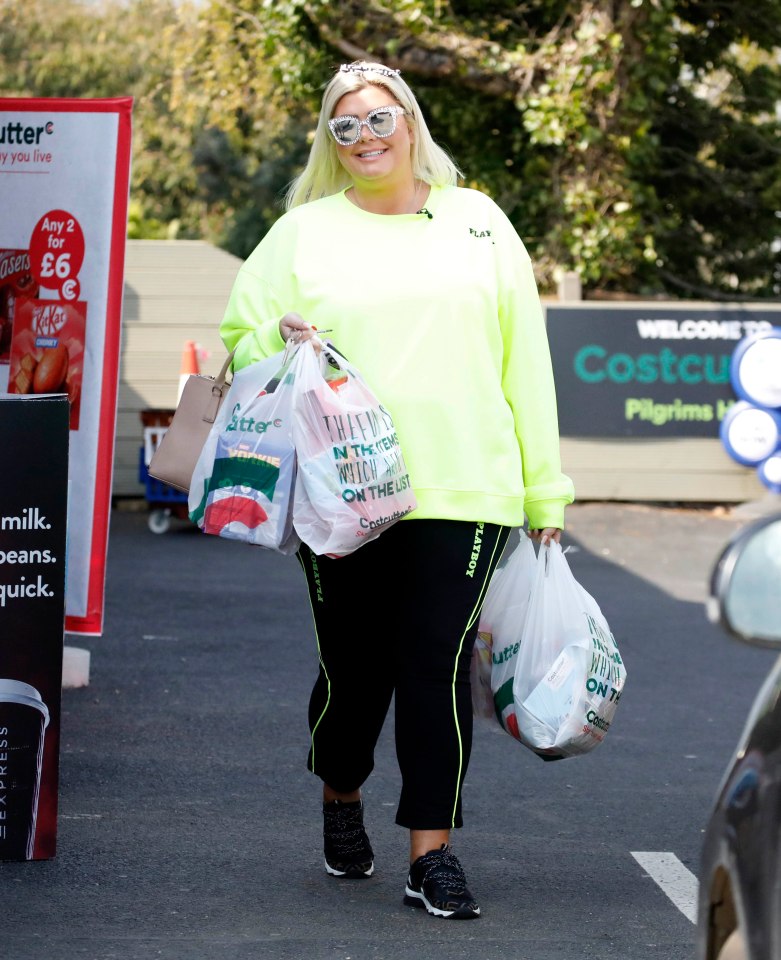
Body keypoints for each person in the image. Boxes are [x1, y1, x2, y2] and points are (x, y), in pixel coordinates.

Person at [219, 60, 574, 920]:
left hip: (465, 484)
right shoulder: (302, 232)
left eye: (380, 119)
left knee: (434, 666)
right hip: (339, 491)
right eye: (346, 127)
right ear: (330, 143)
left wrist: (544, 494)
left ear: (410, 123)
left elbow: (523, 359)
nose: (366, 137)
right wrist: (277, 332)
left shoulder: (479, 222)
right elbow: (237, 338)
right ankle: (341, 793)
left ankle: (432, 852)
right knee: (354, 672)